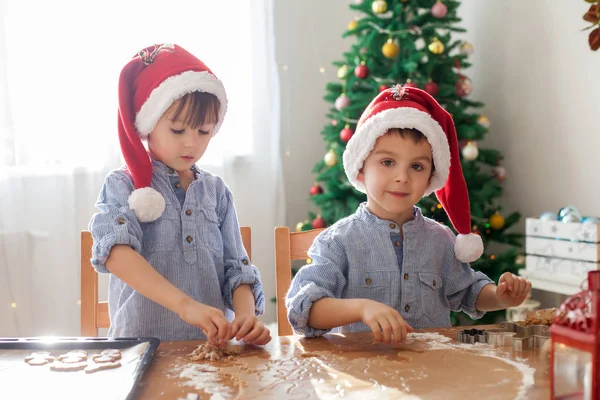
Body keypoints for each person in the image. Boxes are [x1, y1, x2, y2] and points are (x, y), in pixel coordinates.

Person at [286, 84, 531, 344]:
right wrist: (362, 308)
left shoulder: (441, 239)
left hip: (433, 373)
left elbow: (469, 291)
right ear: (360, 168)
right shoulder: (337, 242)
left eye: (416, 166)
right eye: (387, 162)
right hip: (363, 375)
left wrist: (501, 296)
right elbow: (303, 310)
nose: (402, 177)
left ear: (430, 179)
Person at [89, 44, 270, 345]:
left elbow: (236, 269)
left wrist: (245, 316)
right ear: (147, 125)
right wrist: (185, 306)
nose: (191, 144)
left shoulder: (217, 192)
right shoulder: (124, 184)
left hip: (211, 352)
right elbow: (117, 256)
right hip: (140, 349)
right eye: (178, 130)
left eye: (203, 132)